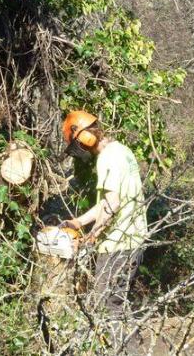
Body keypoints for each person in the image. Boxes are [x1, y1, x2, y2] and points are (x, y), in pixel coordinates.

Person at [58, 110, 146, 355]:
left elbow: (112, 204)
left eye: (77, 144)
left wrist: (93, 235)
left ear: (84, 138)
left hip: (118, 243)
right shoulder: (122, 151)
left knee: (108, 306)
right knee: (117, 303)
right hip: (133, 240)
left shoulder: (106, 158)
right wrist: (78, 222)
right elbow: (108, 200)